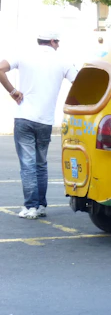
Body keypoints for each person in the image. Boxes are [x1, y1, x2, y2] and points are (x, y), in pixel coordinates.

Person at [0, 31, 78, 219]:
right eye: (57, 42)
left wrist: (13, 92)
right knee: (41, 164)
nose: (58, 45)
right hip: (45, 121)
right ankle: (41, 205)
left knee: (28, 165)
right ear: (52, 41)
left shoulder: (23, 55)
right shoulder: (63, 61)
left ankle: (31, 207)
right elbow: (80, 82)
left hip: (24, 117)